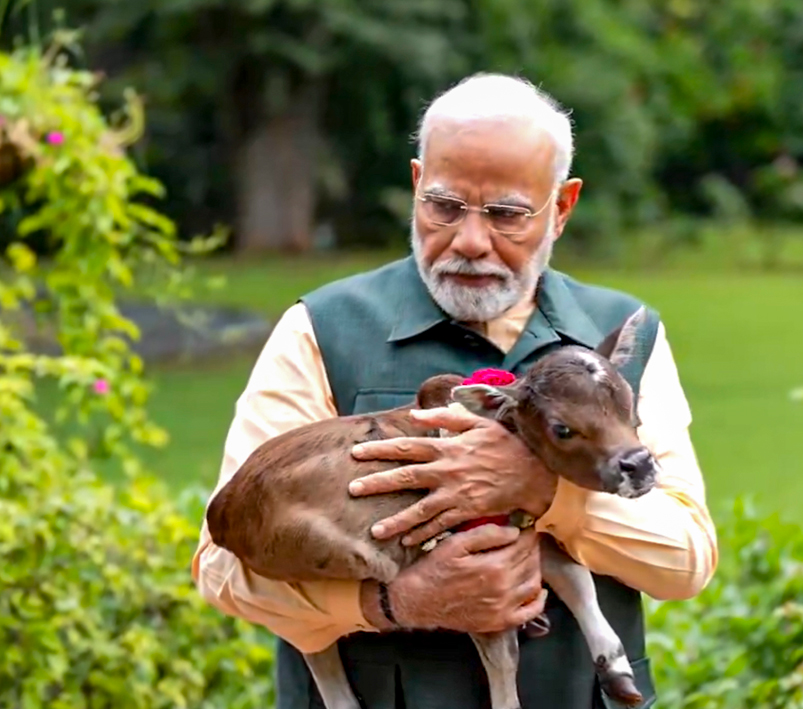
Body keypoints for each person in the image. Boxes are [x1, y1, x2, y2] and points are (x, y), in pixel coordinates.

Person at [191, 72, 718, 709]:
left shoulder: (623, 337)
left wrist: (545, 494)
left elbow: (686, 561)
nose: (469, 241)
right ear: (417, 184)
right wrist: (391, 602)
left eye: (506, 214)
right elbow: (223, 567)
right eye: (444, 206)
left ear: (563, 207)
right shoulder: (323, 330)